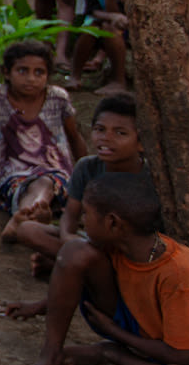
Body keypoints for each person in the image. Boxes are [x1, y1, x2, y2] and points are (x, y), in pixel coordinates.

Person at [7, 173, 189, 365]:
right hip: (143, 323)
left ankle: (110, 353)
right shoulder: (121, 243)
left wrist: (114, 339)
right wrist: (41, 305)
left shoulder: (182, 278)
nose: (83, 221)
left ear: (113, 223)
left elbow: (180, 355)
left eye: (86, 214)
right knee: (74, 251)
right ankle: (51, 356)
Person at [7, 93, 145, 270]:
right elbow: (70, 216)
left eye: (120, 133)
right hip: (91, 244)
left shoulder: (149, 175)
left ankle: (70, 265)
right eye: (100, 129)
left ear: (141, 142)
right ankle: (75, 262)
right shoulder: (87, 167)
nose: (106, 137)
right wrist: (68, 239)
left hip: (129, 252)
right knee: (28, 230)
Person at [0, 39, 85, 234]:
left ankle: (25, 215)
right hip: (14, 173)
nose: (31, 78)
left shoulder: (57, 98)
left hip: (56, 170)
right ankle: (35, 213)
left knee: (46, 182)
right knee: (25, 186)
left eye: (39, 72)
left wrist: (86, 175)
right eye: (22, 71)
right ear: (7, 73)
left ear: (48, 75)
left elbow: (74, 136)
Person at [72, 0, 130, 89]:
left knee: (109, 28)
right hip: (101, 20)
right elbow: (91, 9)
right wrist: (111, 17)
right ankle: (75, 76)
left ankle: (118, 81)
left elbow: (119, 13)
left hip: (125, 27)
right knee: (90, 28)